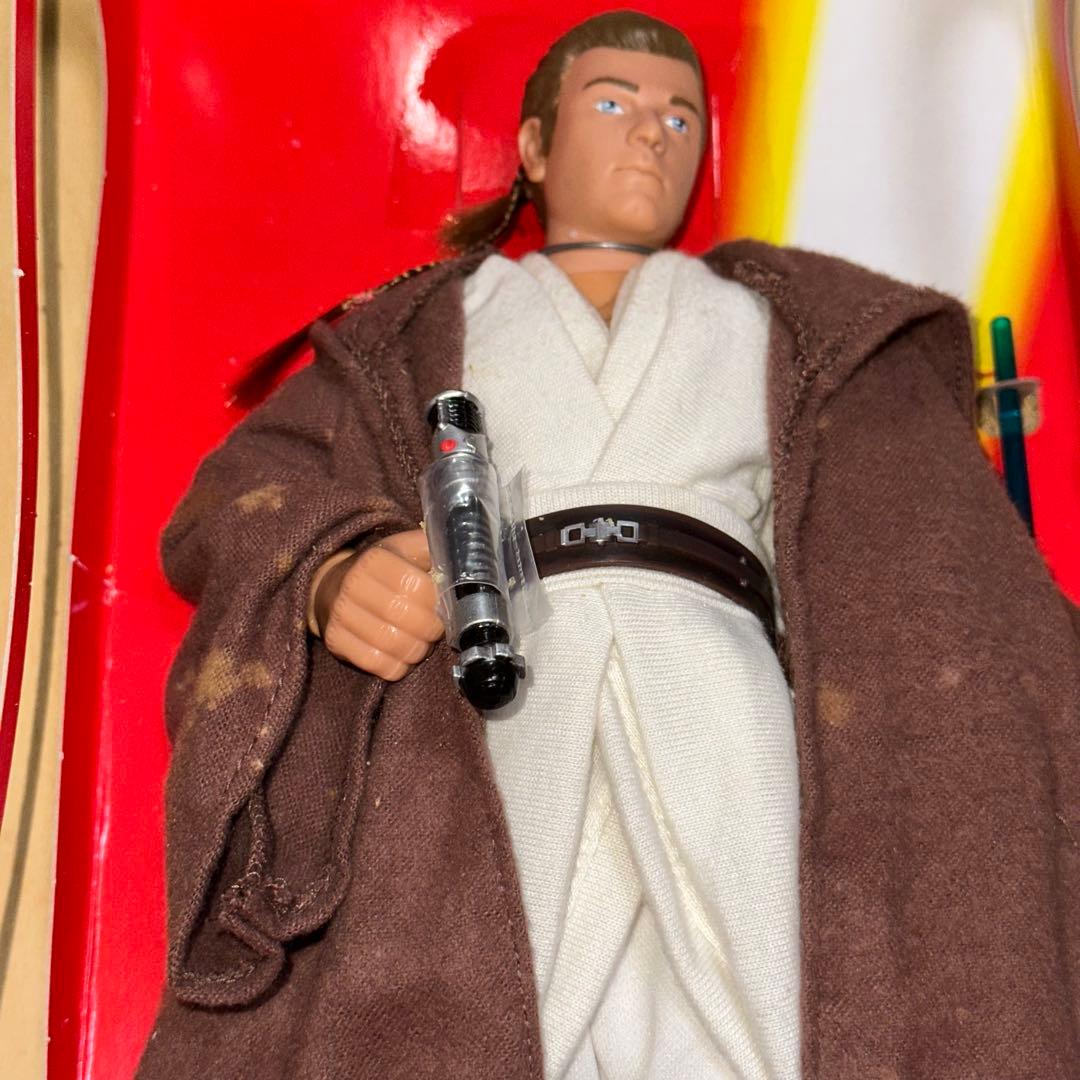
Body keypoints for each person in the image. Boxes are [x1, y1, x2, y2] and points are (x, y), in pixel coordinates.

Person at [139, 11, 1080, 1080]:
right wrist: (334, 568)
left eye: (681, 116)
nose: (651, 134)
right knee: (463, 1000)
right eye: (615, 102)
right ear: (535, 147)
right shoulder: (418, 331)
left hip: (723, 691)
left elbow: (914, 542)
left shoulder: (793, 322)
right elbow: (235, 497)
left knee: (779, 1003)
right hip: (489, 697)